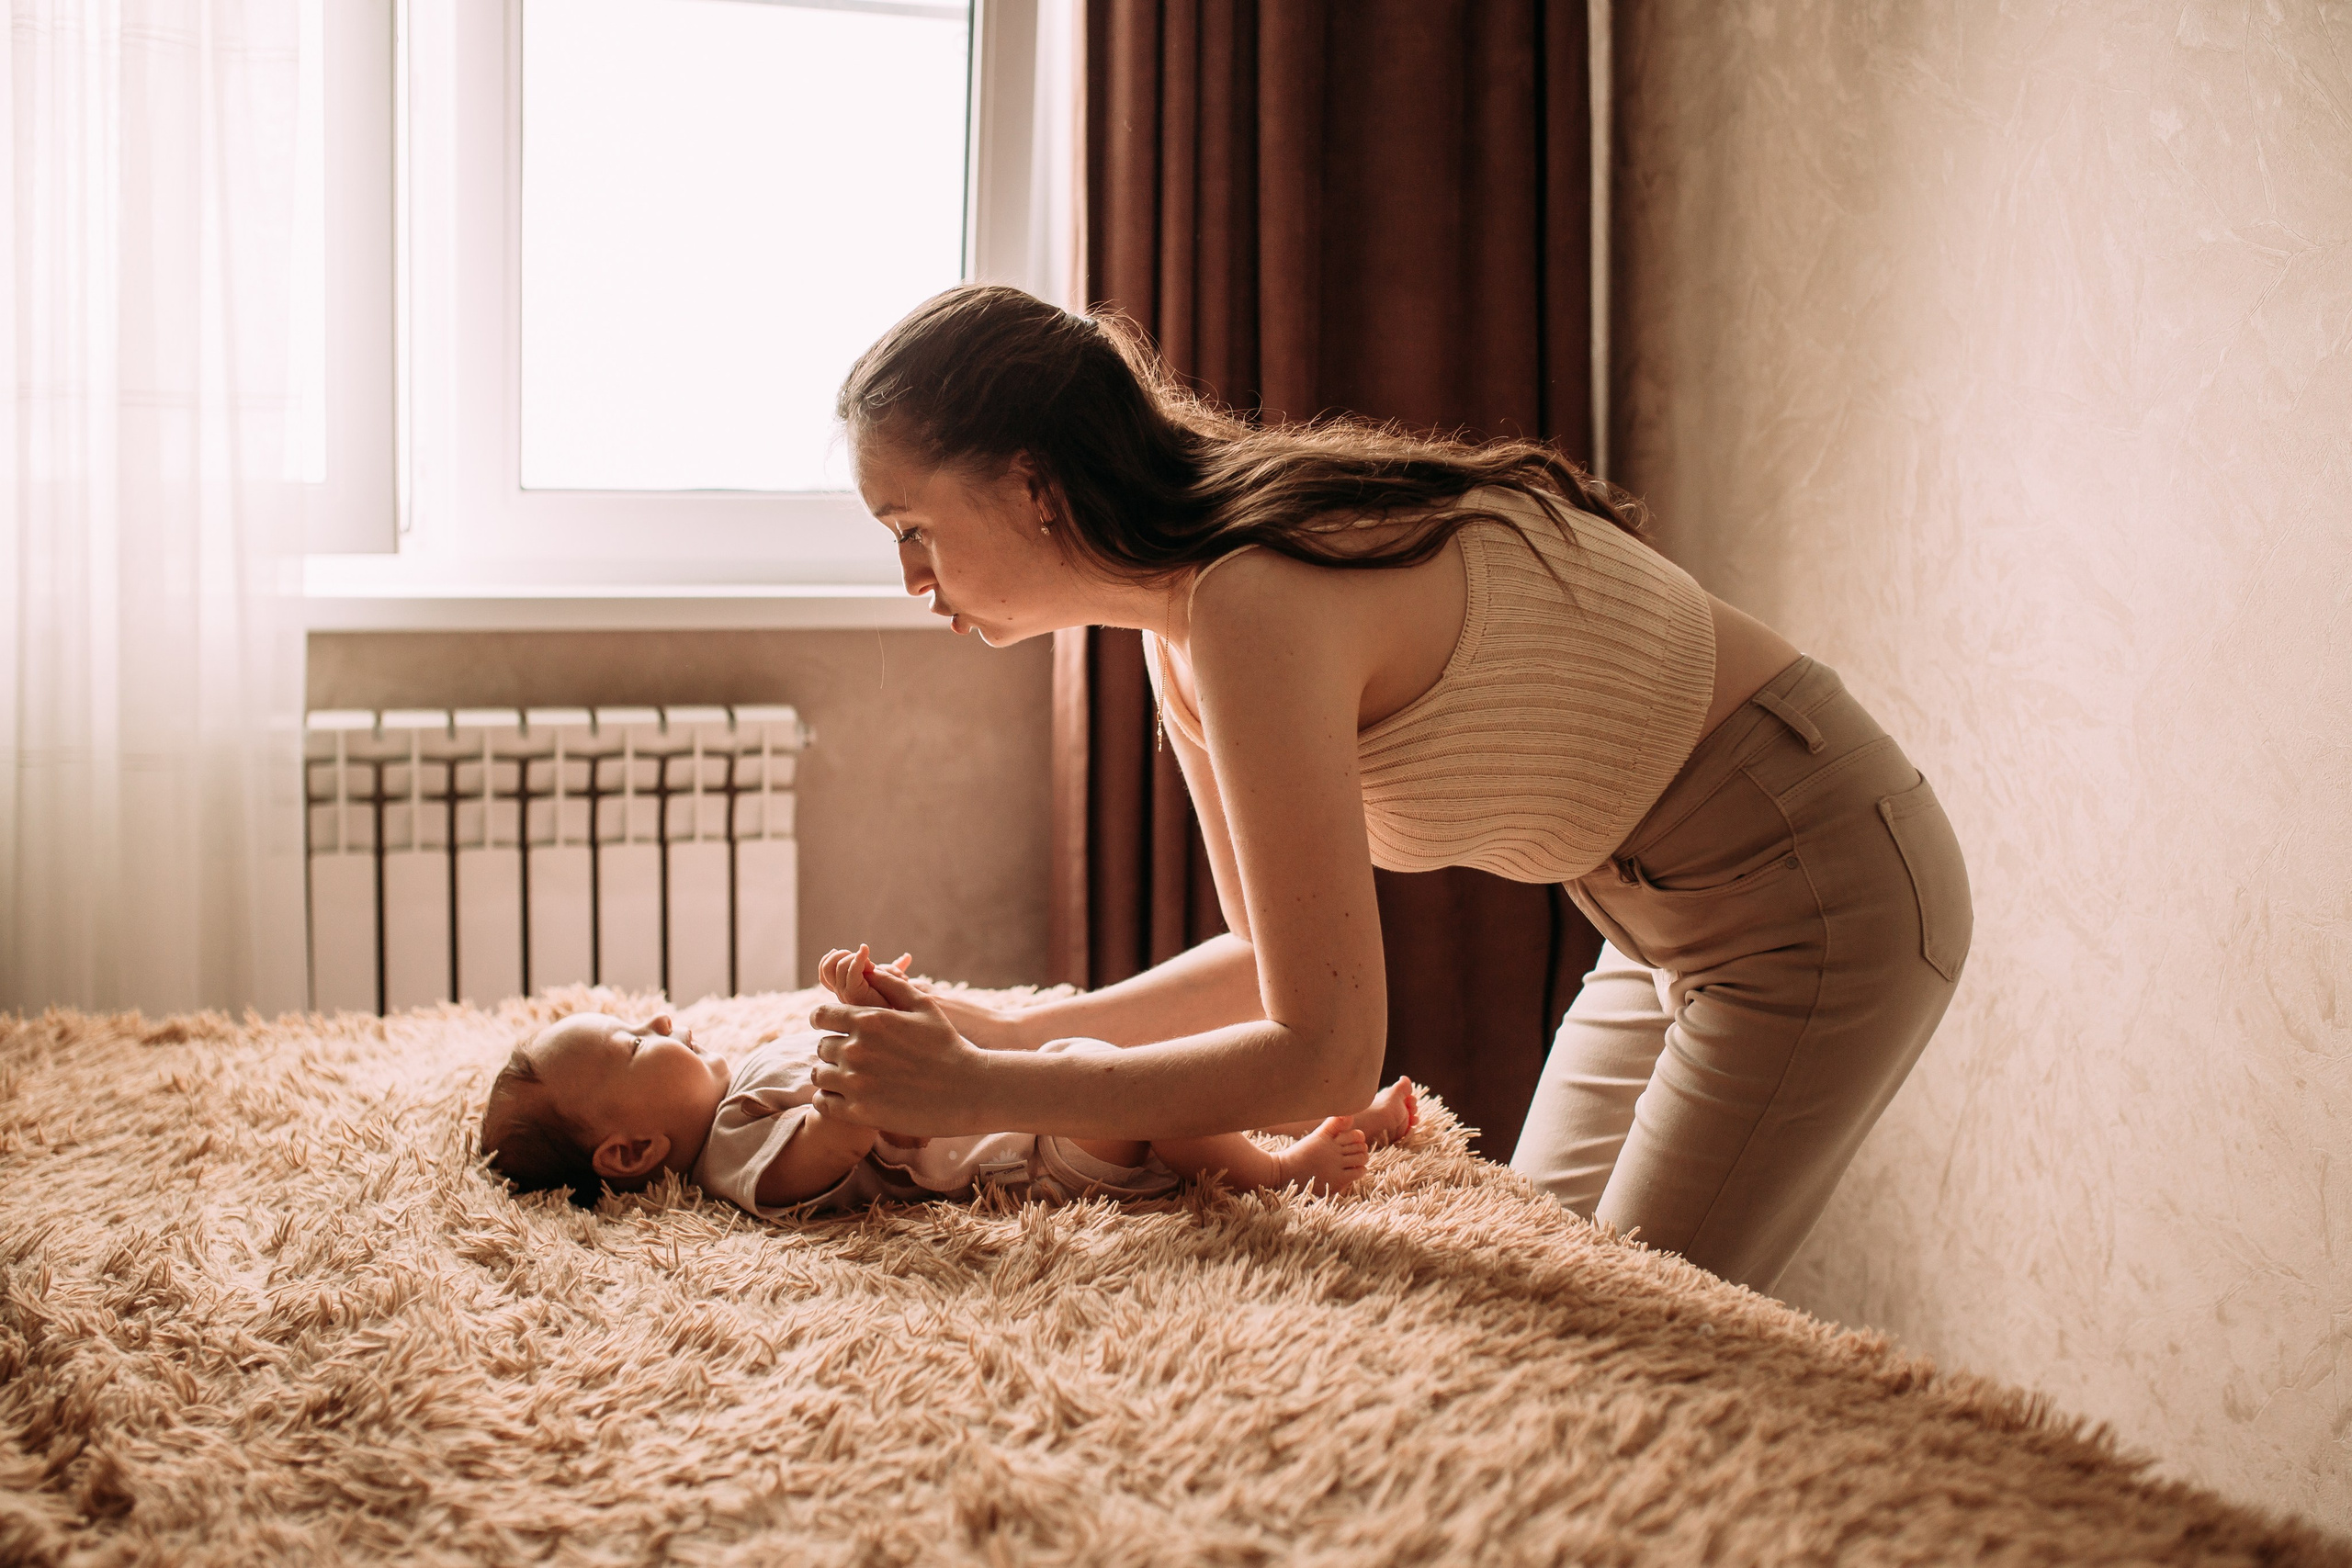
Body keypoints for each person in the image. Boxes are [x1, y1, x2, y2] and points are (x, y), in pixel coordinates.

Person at [806, 284, 1973, 1293]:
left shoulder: (1249, 597)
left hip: (1815, 884)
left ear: (1030, 486)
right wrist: (1016, 1032)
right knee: (1553, 1264)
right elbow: (1266, 959)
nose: (910, 577)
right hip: (1650, 913)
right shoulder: (1183, 625)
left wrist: (984, 1088)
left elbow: (1323, 1056)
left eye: (912, 527)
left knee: (1623, 1345)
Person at [477, 946, 1419, 1216]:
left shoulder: (738, 1089)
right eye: (639, 1046)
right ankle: (1277, 1172)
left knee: (1086, 1060)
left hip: (1014, 1103)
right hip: (1029, 1152)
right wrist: (858, 1079)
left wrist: (869, 1003)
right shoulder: (730, 1157)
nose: (662, 1020)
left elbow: (874, 1066)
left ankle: (1320, 1102)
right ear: (632, 1150)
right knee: (1108, 1077)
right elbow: (833, 1140)